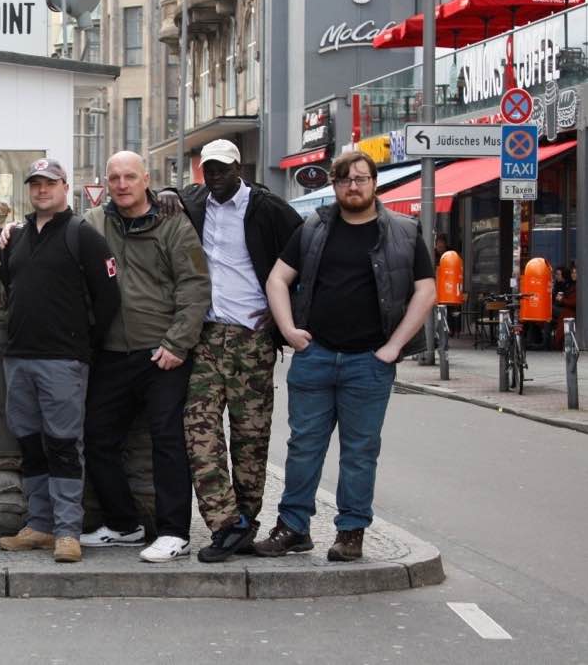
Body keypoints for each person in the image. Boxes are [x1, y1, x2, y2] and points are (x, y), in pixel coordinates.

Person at [256, 152, 435, 562]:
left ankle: (351, 532)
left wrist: (392, 348)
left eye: (360, 178)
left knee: (359, 451)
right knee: (303, 447)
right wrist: (287, 330)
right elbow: (278, 279)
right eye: (344, 180)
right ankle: (293, 528)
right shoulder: (315, 227)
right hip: (316, 356)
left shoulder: (404, 232)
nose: (352, 187)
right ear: (334, 186)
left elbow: (426, 290)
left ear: (374, 183)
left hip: (368, 363)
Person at [170, 139, 302, 563]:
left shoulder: (268, 208)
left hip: (253, 340)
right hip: (208, 337)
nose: (214, 177)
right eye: (208, 170)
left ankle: (246, 519)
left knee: (251, 438)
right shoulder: (196, 203)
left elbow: (305, 254)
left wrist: (285, 316)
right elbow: (160, 199)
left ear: (239, 168)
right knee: (199, 429)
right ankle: (227, 524)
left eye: (222, 170)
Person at [78, 151, 211, 563]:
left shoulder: (174, 223)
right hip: (113, 352)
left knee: (167, 440)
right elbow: (56, 235)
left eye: (129, 177)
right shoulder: (95, 223)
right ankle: (123, 524)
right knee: (98, 437)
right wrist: (15, 229)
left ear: (146, 179)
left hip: (162, 353)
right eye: (114, 177)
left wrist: (177, 343)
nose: (121, 184)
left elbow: (194, 285)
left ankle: (174, 532)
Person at [0, 158, 120, 563]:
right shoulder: (16, 237)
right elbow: (8, 285)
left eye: (49, 183)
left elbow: (108, 296)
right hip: (19, 357)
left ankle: (68, 531)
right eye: (35, 184)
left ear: (65, 187)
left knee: (65, 445)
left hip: (63, 360)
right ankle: (40, 525)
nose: (41, 190)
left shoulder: (81, 234)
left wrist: (84, 345)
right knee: (31, 444)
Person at [554, 264, 578, 350]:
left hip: (571, 312)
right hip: (566, 310)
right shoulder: (570, 285)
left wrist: (562, 300)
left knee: (548, 312)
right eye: (572, 273)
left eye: (576, 273)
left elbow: (574, 302)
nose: (573, 274)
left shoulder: (578, 286)